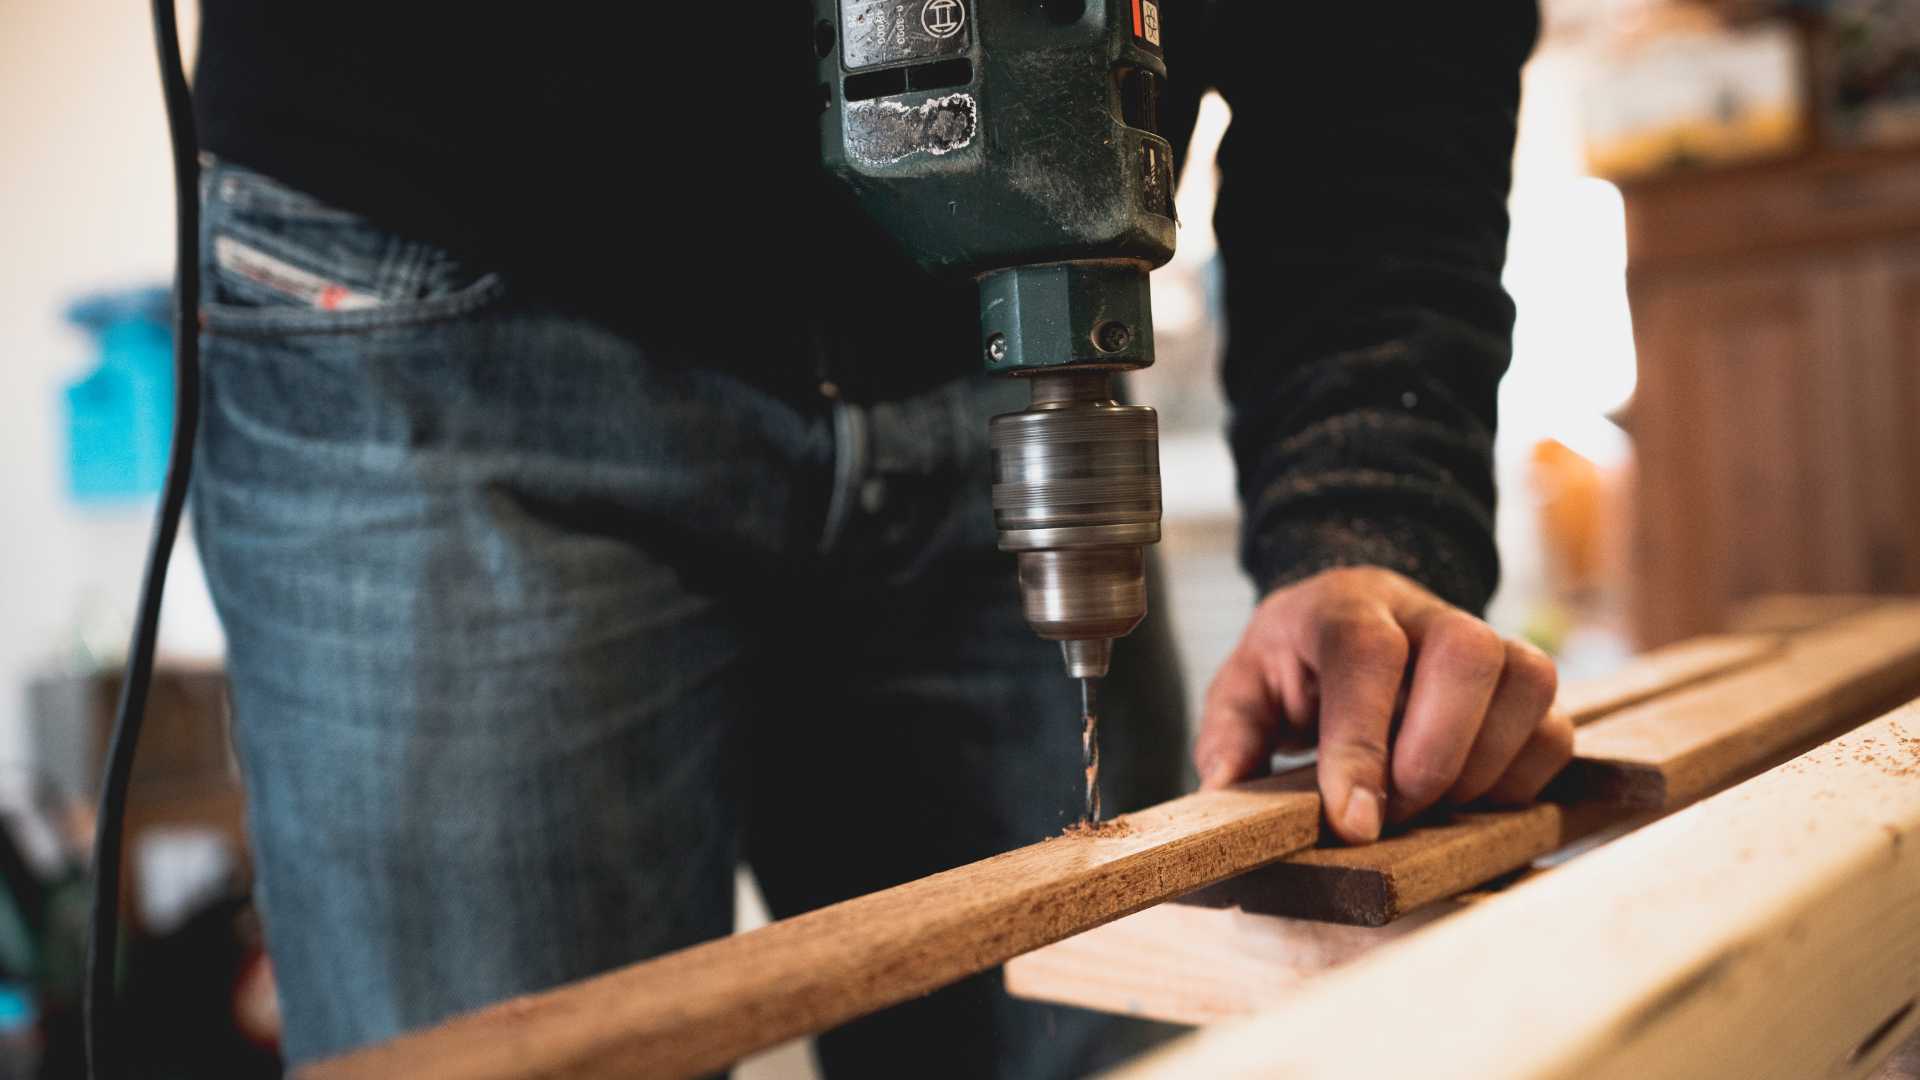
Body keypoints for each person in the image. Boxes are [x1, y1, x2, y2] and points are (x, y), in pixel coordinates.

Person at [185, 1, 1567, 1074]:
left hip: (972, 328)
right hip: (444, 269)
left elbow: (1396, 41)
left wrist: (1367, 503)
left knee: (1117, 1019)